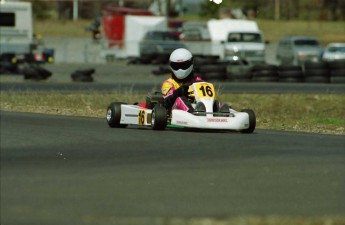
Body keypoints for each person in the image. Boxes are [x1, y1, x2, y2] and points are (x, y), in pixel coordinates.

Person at [161, 48, 228, 114]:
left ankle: (222, 113)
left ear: (190, 64)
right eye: (176, 66)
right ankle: (193, 113)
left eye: (184, 65)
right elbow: (166, 102)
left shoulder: (197, 80)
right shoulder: (168, 83)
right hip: (176, 111)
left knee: (215, 102)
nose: (180, 69)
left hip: (198, 107)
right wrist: (178, 92)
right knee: (179, 99)